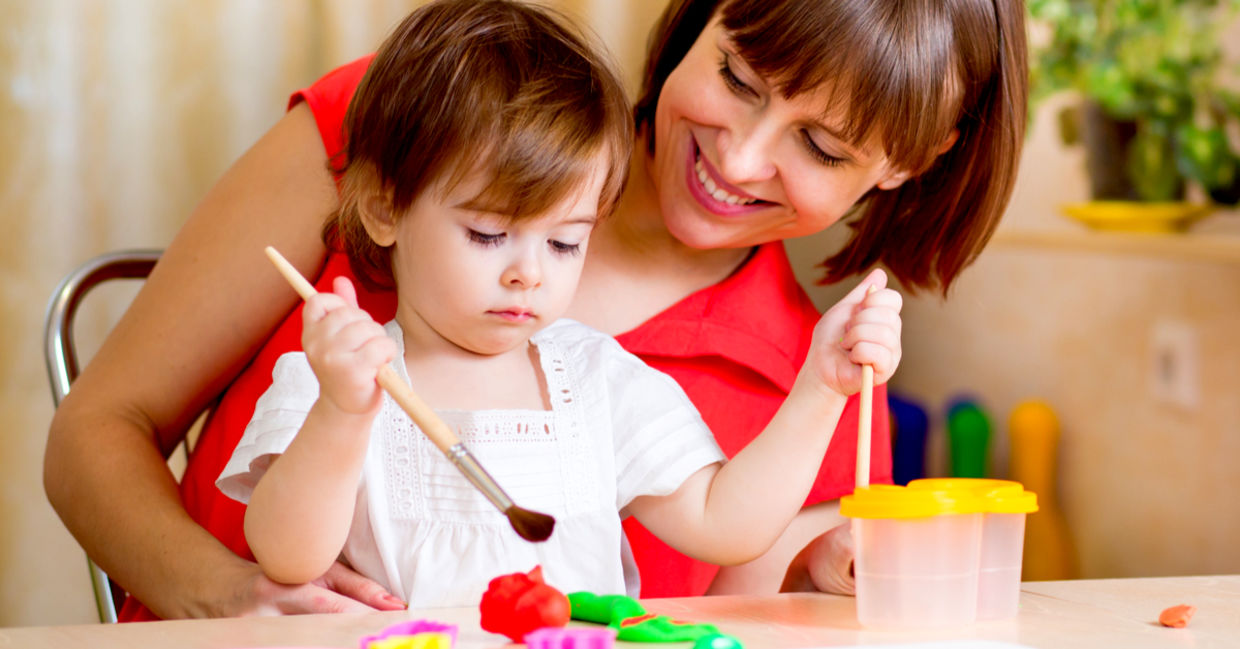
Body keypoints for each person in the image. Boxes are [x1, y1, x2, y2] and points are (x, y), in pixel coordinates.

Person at [44, 0, 1027, 620]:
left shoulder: (813, 383)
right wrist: (228, 598)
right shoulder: (419, 128)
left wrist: (825, 575)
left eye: (823, 147)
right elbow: (98, 431)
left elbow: (730, 575)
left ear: (915, 159)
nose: (735, 159)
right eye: (734, 76)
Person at [215, 1, 902, 610]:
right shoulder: (331, 378)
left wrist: (820, 384)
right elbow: (287, 556)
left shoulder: (599, 379)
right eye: (488, 234)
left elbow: (726, 522)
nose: (528, 274)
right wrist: (341, 413)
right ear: (383, 207)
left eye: (567, 243)